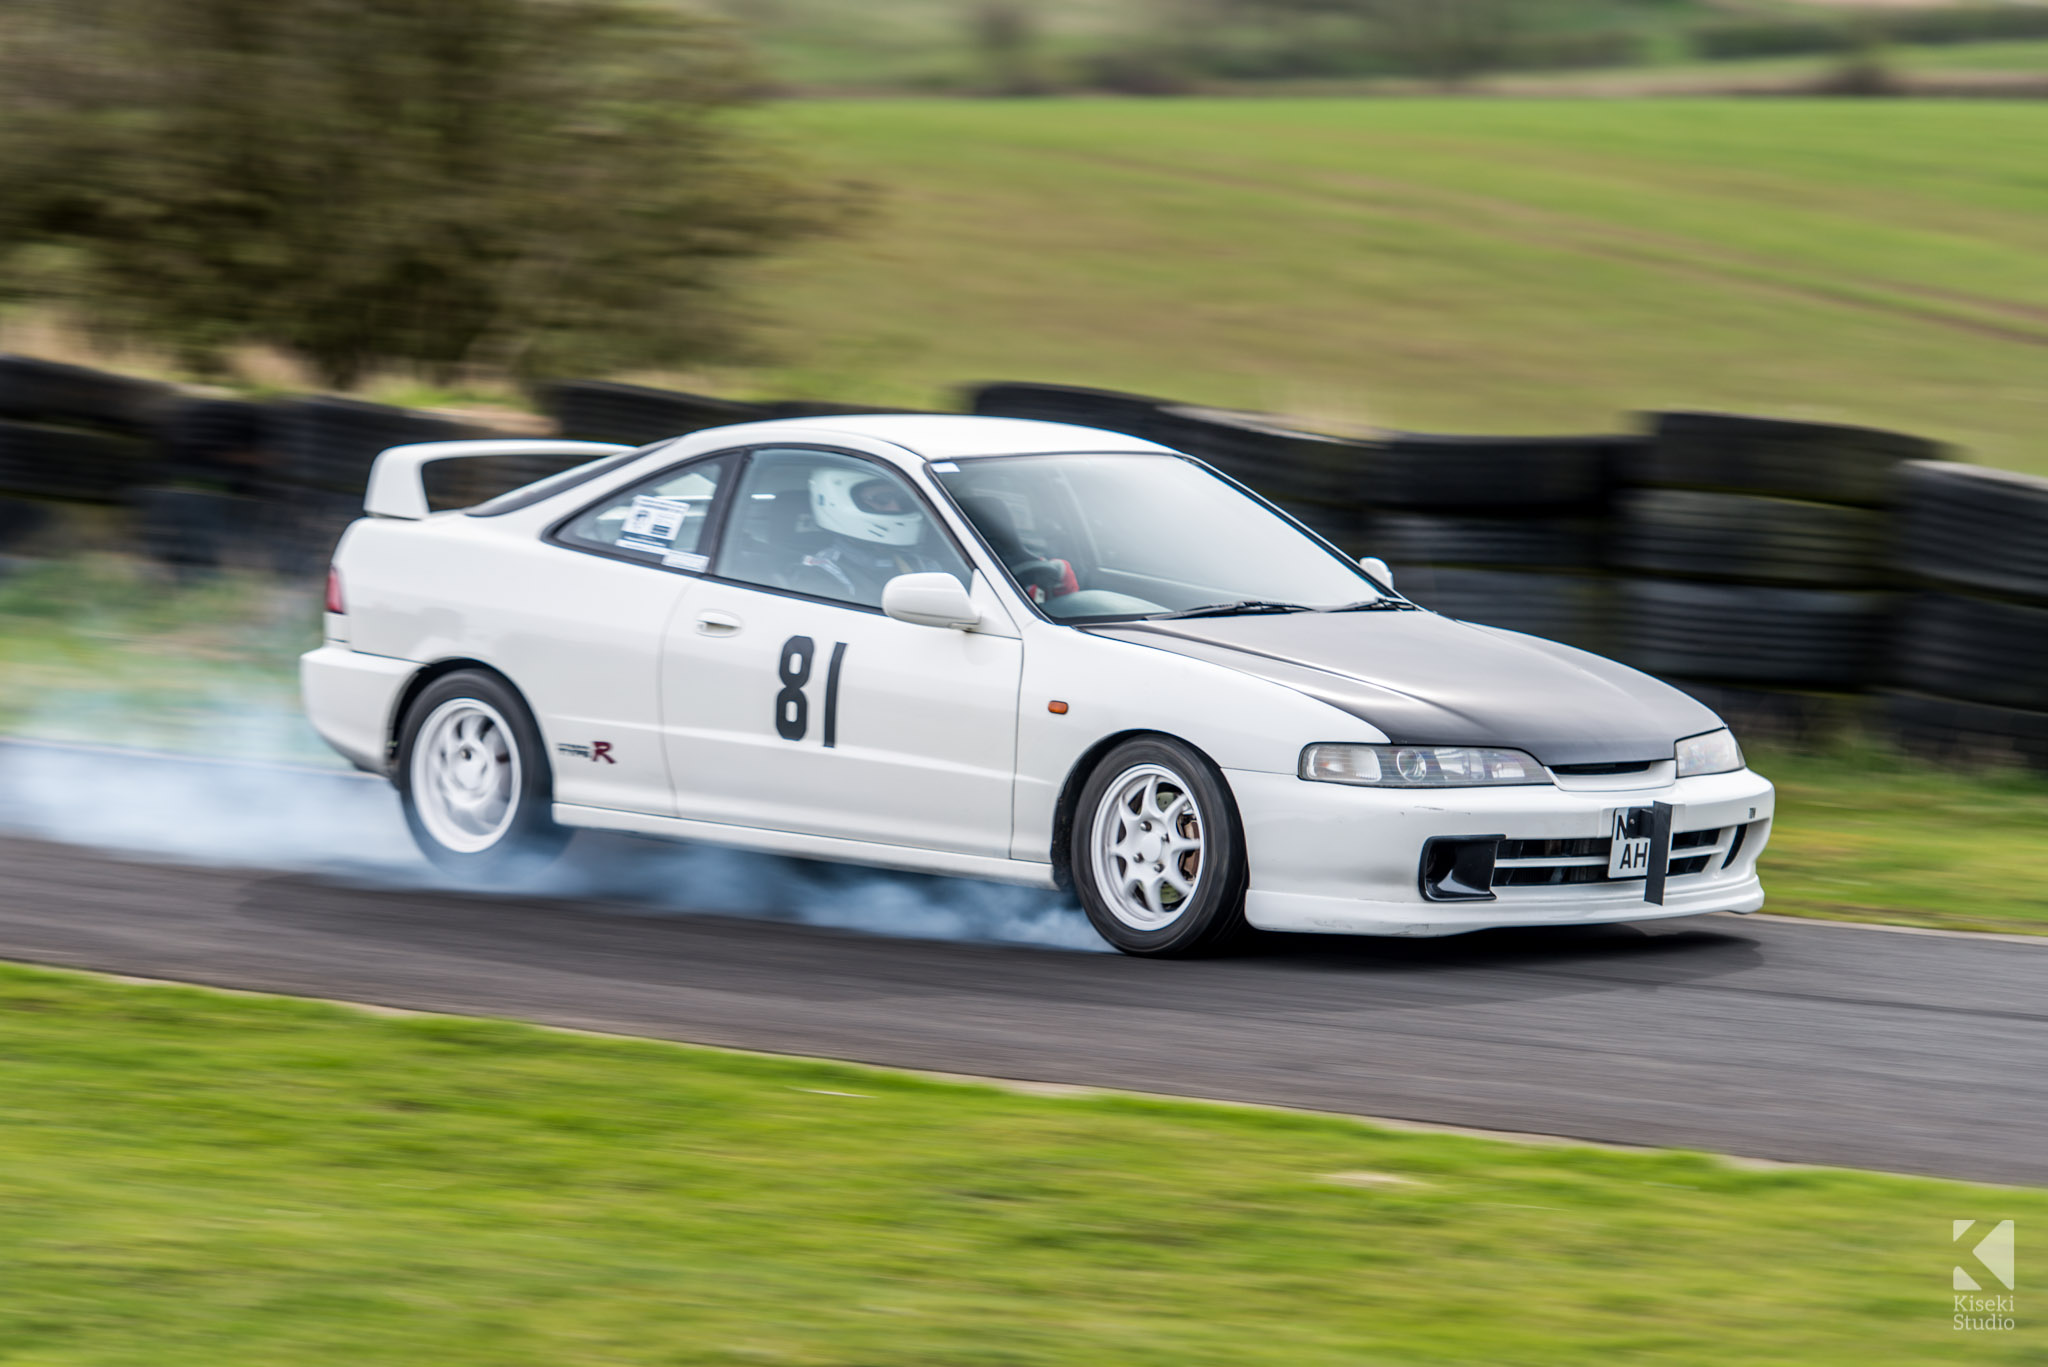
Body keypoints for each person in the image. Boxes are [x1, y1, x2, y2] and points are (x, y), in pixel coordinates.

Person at [793, 466, 961, 606]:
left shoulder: (922, 566)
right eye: (882, 499)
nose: (895, 508)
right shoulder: (821, 572)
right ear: (837, 501)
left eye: (900, 500)